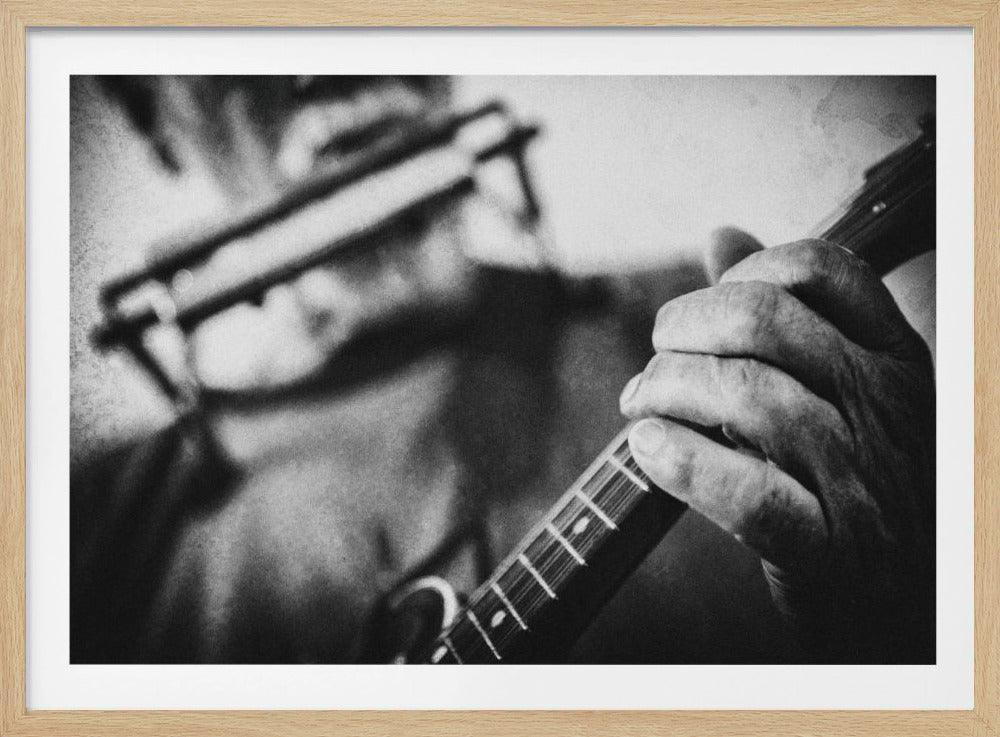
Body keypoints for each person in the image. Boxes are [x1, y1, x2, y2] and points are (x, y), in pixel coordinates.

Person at [70, 75, 935, 664]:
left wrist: (915, 614)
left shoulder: (710, 333)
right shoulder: (90, 545)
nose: (324, 58)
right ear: (155, 118)